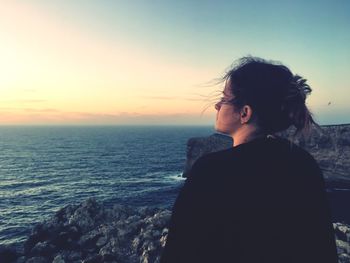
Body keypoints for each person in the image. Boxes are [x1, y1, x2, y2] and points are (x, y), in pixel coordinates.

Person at [160, 57, 338, 262]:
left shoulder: (212, 170)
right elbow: (322, 249)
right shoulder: (304, 163)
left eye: (225, 98)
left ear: (245, 113)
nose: (217, 105)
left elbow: (179, 253)